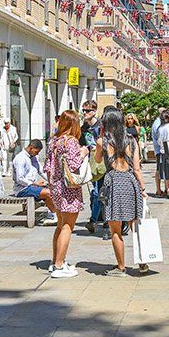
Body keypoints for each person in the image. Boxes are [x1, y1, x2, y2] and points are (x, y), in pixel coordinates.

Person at [93, 106, 147, 276]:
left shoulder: (102, 142)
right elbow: (137, 168)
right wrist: (142, 188)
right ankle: (143, 261)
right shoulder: (131, 140)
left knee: (115, 230)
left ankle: (121, 267)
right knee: (135, 225)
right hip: (130, 182)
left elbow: (97, 160)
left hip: (113, 183)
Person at [44, 111, 86, 278]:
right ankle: (59, 266)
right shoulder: (71, 141)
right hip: (69, 188)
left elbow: (47, 166)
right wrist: (83, 153)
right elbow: (74, 164)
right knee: (68, 226)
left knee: (60, 225)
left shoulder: (53, 141)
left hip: (56, 186)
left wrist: (52, 184)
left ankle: (56, 261)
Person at [80, 100, 103, 235]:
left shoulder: (100, 126)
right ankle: (95, 218)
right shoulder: (83, 128)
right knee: (96, 192)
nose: (85, 113)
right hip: (90, 163)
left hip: (102, 163)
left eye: (87, 110)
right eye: (83, 110)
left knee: (99, 191)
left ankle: (95, 219)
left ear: (94, 111)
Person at [150, 106, 166, 197]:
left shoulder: (159, 122)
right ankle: (158, 189)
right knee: (159, 169)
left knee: (162, 169)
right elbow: (159, 137)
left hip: (160, 150)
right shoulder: (158, 123)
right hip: (160, 150)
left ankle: (163, 189)